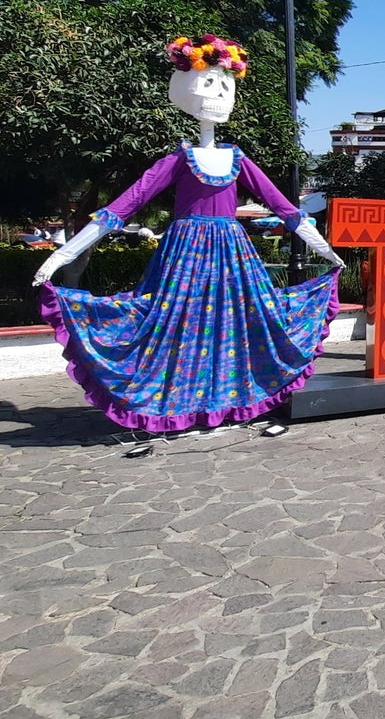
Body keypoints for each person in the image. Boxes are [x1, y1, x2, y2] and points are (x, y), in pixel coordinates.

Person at [31, 34, 343, 433]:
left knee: (238, 324)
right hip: (186, 255)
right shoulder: (179, 159)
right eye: (212, 83)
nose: (221, 95)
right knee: (174, 324)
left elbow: (285, 208)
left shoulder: (238, 159)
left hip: (232, 255)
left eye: (227, 85)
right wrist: (60, 255)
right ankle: (181, 403)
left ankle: (225, 402)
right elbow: (123, 206)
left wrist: (327, 252)